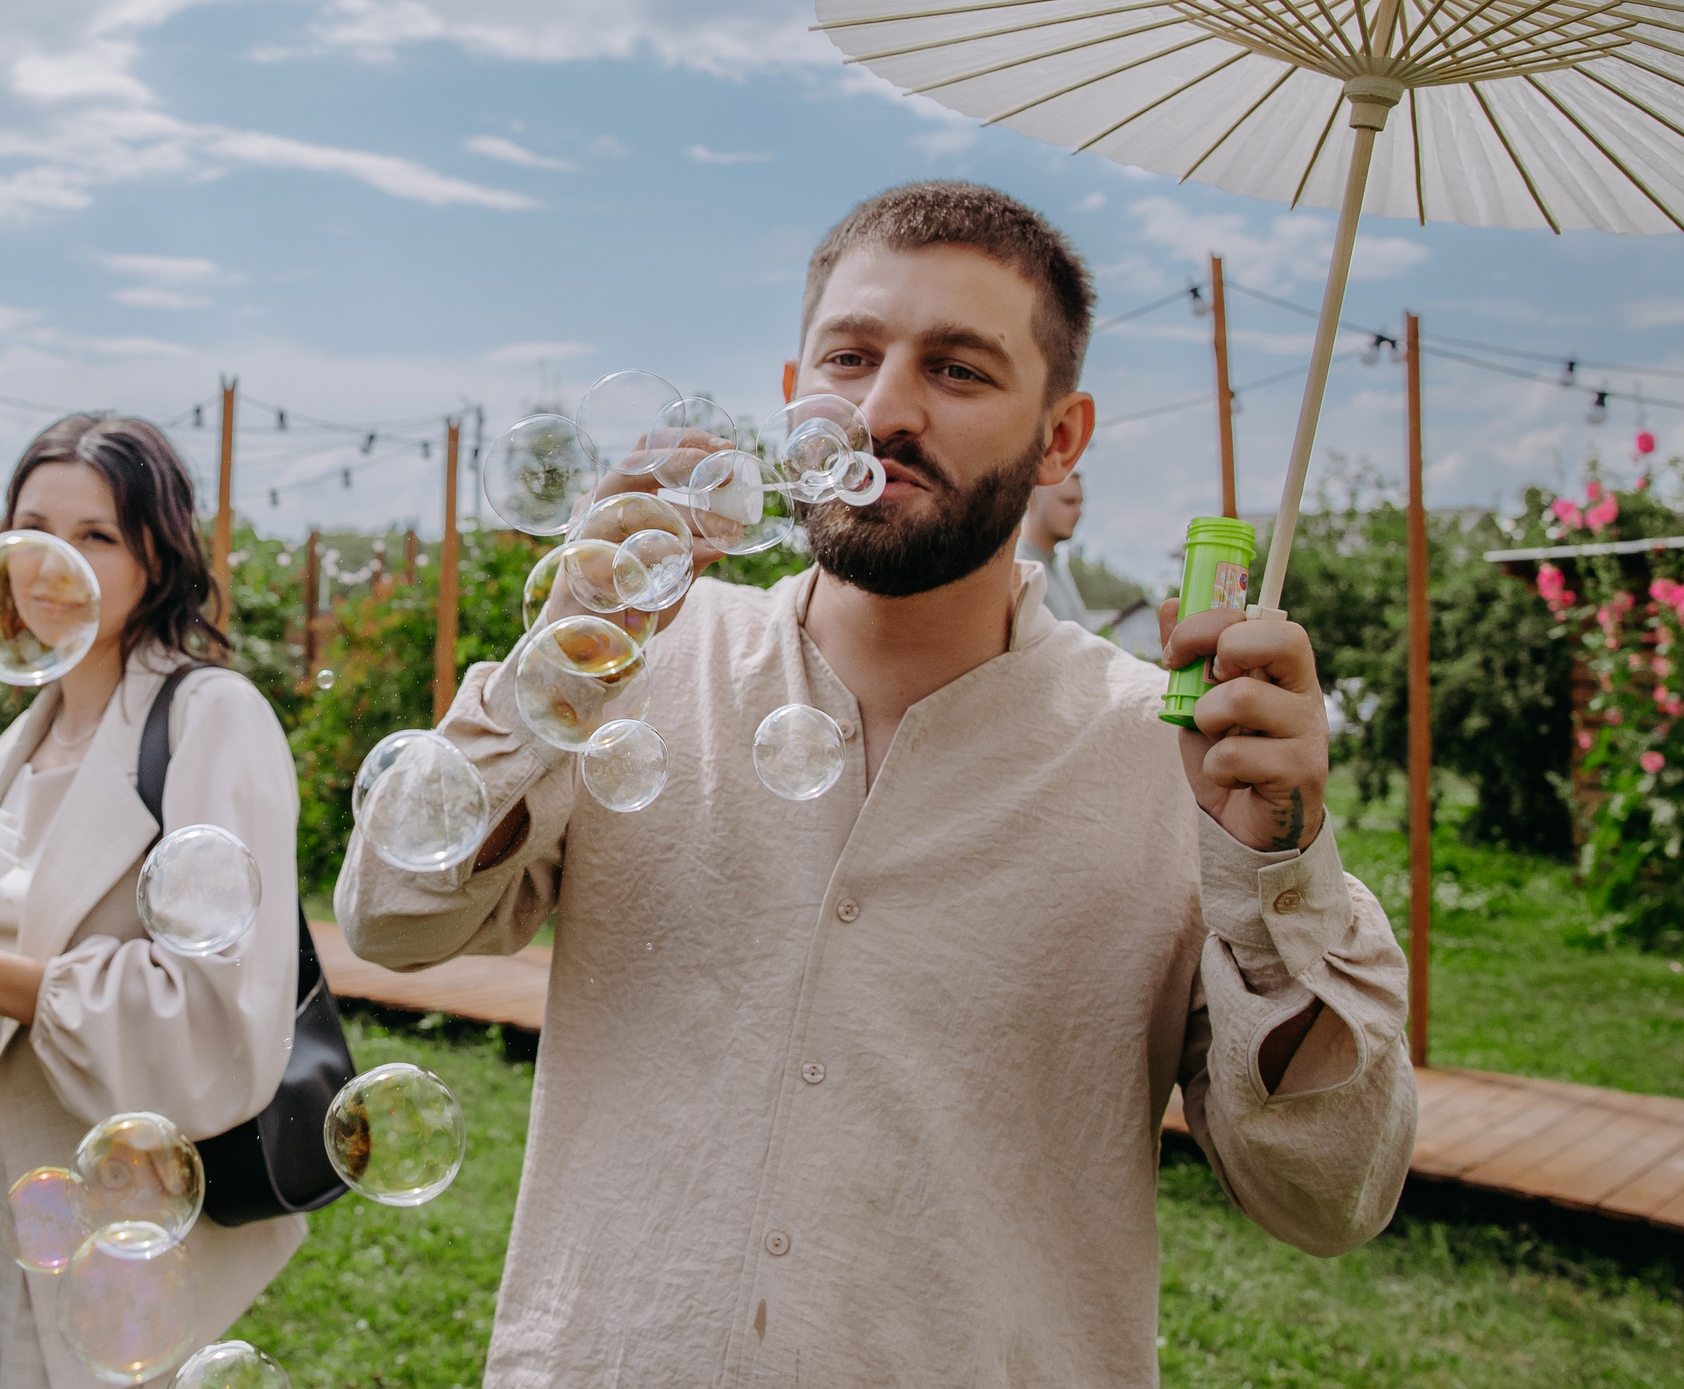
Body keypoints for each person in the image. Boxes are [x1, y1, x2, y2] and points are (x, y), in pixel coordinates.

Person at [338, 180, 1414, 1388]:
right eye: (849, 357)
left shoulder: (1171, 762)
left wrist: (1274, 871)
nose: (885, 411)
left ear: (1060, 437)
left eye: (958, 371)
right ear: (794, 393)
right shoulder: (633, 665)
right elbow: (391, 916)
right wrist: (564, 654)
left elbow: (1330, 1198)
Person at [0, 415, 307, 1388]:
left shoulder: (209, 720)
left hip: (118, 1194)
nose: (53, 563)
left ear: (156, 557)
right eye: (33, 528)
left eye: (96, 535)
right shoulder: (16, 748)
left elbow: (214, 1011)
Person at [1016, 467, 1090, 622]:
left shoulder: (1060, 569)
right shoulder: (1018, 567)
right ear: (1032, 500)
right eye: (1068, 502)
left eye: (1080, 503)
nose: (1078, 512)